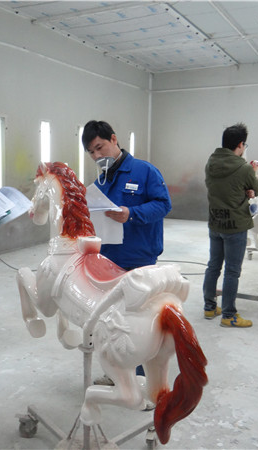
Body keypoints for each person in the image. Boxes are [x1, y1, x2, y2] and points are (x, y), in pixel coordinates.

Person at [81, 120, 172, 385]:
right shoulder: (100, 181)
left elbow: (163, 204)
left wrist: (131, 213)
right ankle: (117, 373)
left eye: (100, 147)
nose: (97, 156)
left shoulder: (144, 171)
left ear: (114, 139)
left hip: (139, 258)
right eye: (91, 152)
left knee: (139, 322)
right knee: (113, 321)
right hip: (109, 259)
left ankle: (141, 378)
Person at [203, 123, 258, 328]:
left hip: (215, 222)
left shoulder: (210, 163)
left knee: (213, 266)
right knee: (232, 271)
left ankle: (209, 307)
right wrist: (248, 191)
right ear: (240, 145)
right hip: (235, 226)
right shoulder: (244, 168)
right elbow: (257, 189)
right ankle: (229, 315)